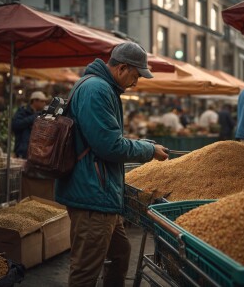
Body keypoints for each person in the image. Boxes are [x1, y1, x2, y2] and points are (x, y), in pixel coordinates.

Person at [55, 42, 169, 287]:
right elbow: (110, 146)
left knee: (120, 254)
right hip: (92, 195)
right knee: (86, 270)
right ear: (123, 68)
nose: (136, 82)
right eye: (136, 75)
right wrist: (149, 150)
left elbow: (106, 137)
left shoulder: (100, 86)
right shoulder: (97, 89)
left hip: (101, 193)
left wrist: (145, 143)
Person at [12, 91, 47, 158]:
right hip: (22, 150)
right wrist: (34, 117)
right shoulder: (23, 111)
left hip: (35, 151)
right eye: (42, 101)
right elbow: (16, 125)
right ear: (34, 101)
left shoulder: (41, 114)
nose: (44, 103)